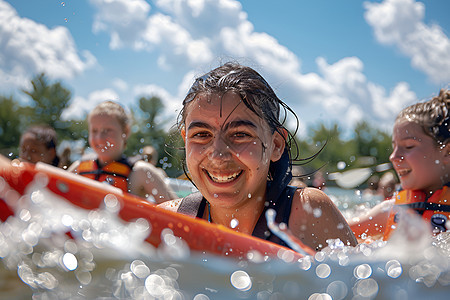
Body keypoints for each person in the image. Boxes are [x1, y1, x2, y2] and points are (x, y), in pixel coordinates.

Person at [158, 63, 357, 251]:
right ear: (185, 141)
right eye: (201, 135)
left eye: (240, 134)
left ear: (276, 145)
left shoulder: (307, 213)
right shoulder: (165, 222)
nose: (218, 156)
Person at [349, 88, 450, 242]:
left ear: (447, 152)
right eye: (394, 146)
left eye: (409, 146)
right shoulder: (391, 211)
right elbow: (325, 235)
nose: (393, 157)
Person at [68, 101, 176, 204]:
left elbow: (178, 213)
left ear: (126, 132)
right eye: (94, 131)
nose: (99, 138)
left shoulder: (140, 172)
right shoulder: (78, 168)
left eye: (107, 130)